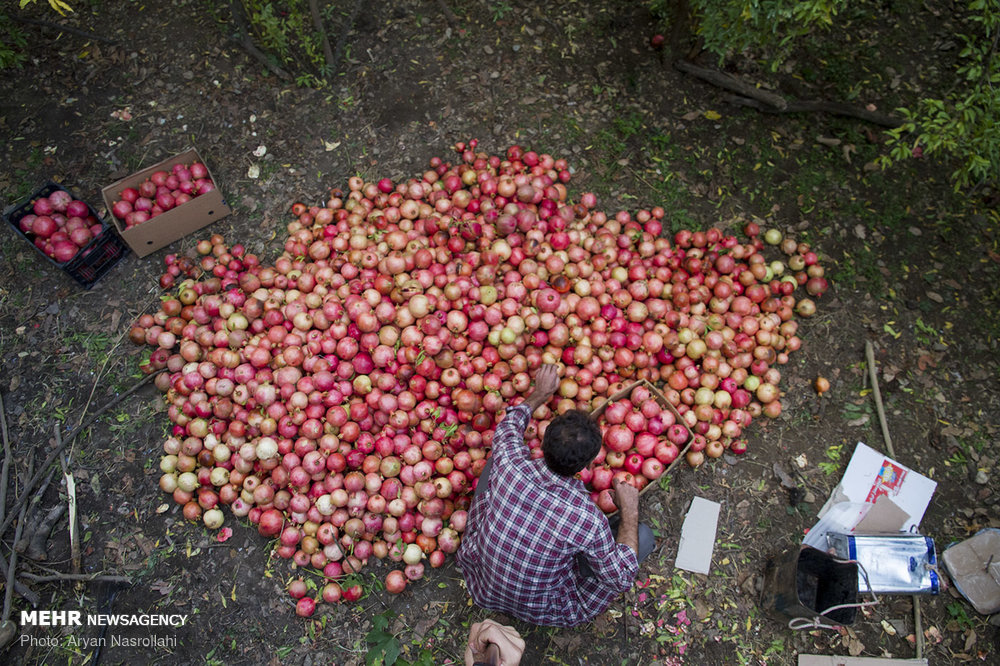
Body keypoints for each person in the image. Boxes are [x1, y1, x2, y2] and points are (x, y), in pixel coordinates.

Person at [456, 364, 655, 628]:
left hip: (481, 584)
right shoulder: (586, 518)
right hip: (544, 608)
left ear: (543, 440)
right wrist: (630, 511)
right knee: (642, 536)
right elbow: (621, 578)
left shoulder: (511, 464)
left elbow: (507, 428)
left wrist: (540, 393)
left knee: (493, 463)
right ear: (587, 466)